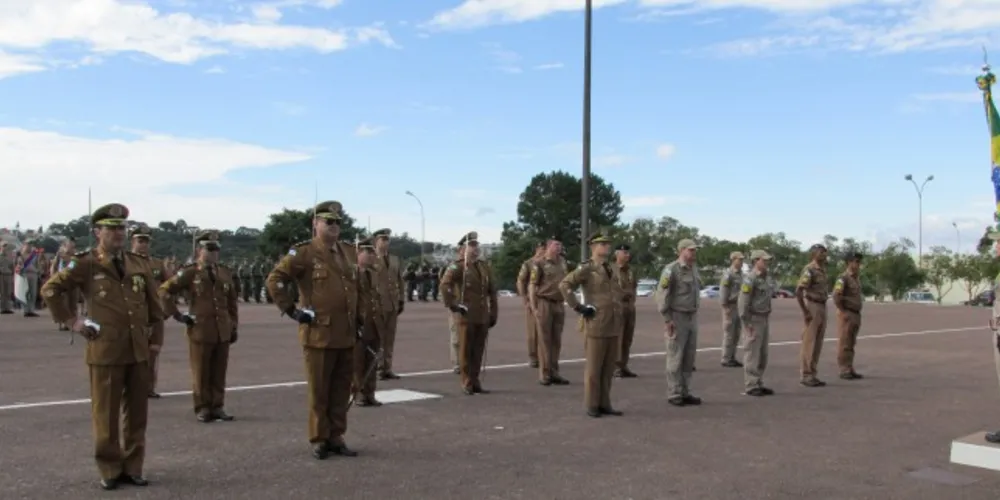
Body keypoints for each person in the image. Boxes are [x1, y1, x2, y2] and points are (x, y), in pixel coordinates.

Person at [40, 202, 163, 490]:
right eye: (112, 229)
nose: (119, 233)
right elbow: (50, 289)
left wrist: (155, 342)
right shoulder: (85, 263)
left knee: (137, 414)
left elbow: (155, 309)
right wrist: (73, 321)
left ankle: (134, 467)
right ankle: (109, 468)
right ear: (98, 232)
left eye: (122, 228)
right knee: (105, 414)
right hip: (105, 349)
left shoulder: (138, 263)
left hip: (137, 348)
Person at [265, 201, 361, 459]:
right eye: (328, 221)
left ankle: (336, 435)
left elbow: (355, 289)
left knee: (341, 389)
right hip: (319, 333)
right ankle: (319, 438)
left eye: (337, 222)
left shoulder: (348, 252)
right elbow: (275, 279)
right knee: (320, 390)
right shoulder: (304, 253)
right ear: (315, 224)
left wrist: (360, 320)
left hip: (345, 332)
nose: (334, 226)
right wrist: (293, 310)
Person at [159, 230, 239, 422]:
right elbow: (164, 291)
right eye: (209, 249)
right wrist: (177, 315)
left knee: (219, 371)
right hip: (201, 329)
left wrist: (234, 325)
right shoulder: (190, 272)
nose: (213, 253)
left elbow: (231, 302)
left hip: (222, 329)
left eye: (216, 249)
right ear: (199, 250)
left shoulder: (225, 272)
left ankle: (218, 406)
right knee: (201, 371)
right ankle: (202, 407)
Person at [559, 230, 624, 418]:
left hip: (612, 322)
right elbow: (564, 285)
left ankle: (605, 403)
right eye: (603, 244)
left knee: (608, 367)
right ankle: (592, 404)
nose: (607, 247)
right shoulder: (586, 268)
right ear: (593, 247)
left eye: (608, 244)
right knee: (594, 368)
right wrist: (579, 307)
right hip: (596, 322)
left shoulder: (611, 267)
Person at [440, 231, 498, 395]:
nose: (475, 248)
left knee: (478, 349)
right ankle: (466, 381)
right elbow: (445, 285)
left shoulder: (483, 266)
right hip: (466, 314)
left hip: (481, 315)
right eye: (471, 245)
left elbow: (492, 291)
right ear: (463, 248)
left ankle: (475, 380)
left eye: (476, 245)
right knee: (466, 349)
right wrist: (453, 305)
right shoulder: (457, 266)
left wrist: (493, 312)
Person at [656, 239, 703, 407]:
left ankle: (685, 391)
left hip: (691, 316)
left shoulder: (693, 269)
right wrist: (667, 319)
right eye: (690, 250)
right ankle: (674, 393)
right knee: (675, 356)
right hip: (677, 317)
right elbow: (663, 295)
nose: (693, 253)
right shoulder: (671, 270)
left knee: (689, 357)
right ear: (681, 250)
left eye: (694, 250)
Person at [130, 226, 172, 398]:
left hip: (154, 314)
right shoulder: (125, 263)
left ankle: (148, 387)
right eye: (140, 241)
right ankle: (132, 387)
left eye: (146, 241)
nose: (143, 245)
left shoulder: (156, 264)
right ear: (132, 241)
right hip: (133, 314)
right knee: (132, 353)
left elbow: (171, 284)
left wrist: (167, 308)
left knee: (153, 352)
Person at [529, 238, 568, 385]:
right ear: (548, 247)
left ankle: (554, 371)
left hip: (559, 303)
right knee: (545, 340)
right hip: (544, 302)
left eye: (560, 244)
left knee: (556, 340)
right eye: (556, 245)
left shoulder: (563, 262)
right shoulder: (539, 263)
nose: (559, 247)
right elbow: (532, 285)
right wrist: (533, 306)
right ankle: (545, 374)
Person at [737, 250, 775, 396]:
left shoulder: (765, 278)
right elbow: (743, 302)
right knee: (752, 353)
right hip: (753, 319)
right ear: (755, 261)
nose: (766, 263)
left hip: (764, 318)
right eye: (764, 260)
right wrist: (746, 323)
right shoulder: (750, 279)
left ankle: (758, 381)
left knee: (762, 354)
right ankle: (751, 384)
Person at [371, 228, 405, 381]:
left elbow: (400, 281)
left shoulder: (394, 260)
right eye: (382, 239)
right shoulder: (371, 258)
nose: (385, 242)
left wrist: (401, 299)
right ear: (376, 241)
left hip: (392, 303)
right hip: (377, 303)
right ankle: (377, 368)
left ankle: (387, 367)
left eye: (387, 239)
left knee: (389, 337)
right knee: (378, 337)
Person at [353, 237, 383, 406]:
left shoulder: (373, 274)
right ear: (358, 252)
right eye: (368, 252)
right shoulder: (351, 274)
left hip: (373, 323)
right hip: (358, 324)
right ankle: (358, 394)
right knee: (357, 362)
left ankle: (370, 393)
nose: (372, 256)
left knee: (372, 360)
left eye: (373, 252)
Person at [796, 244, 830, 387]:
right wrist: (805, 311)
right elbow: (799, 290)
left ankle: (813, 373)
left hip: (822, 305)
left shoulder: (822, 269)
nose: (824, 254)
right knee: (809, 341)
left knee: (818, 342)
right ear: (814, 253)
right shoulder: (809, 269)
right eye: (821, 252)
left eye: (825, 252)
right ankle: (806, 374)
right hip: (813, 305)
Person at [833, 251, 865, 380]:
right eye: (856, 261)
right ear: (849, 262)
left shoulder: (855, 278)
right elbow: (836, 295)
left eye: (859, 262)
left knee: (851, 342)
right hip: (847, 313)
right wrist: (843, 310)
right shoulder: (843, 278)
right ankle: (844, 369)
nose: (858, 264)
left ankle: (849, 367)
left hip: (855, 314)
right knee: (845, 342)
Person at [516, 241, 546, 368]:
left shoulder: (549, 263)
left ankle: (546, 356)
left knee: (547, 329)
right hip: (534, 299)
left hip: (547, 300)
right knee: (533, 331)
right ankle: (533, 357)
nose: (544, 251)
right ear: (537, 249)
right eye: (542, 248)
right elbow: (521, 281)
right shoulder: (528, 263)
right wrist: (525, 299)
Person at [613, 243, 638, 378]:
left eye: (628, 253)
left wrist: (632, 300)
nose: (627, 255)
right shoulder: (611, 270)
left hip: (629, 307)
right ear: (617, 254)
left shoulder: (630, 271)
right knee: (618, 337)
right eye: (624, 253)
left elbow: (633, 286)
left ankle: (624, 365)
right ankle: (615, 366)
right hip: (617, 306)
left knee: (628, 338)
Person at [718, 251, 745, 368]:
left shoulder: (741, 275)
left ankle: (732, 356)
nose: (741, 262)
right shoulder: (728, 274)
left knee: (736, 333)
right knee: (729, 333)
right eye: (739, 259)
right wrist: (725, 306)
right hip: (730, 306)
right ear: (733, 260)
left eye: (742, 260)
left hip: (738, 306)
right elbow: (723, 291)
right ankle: (726, 358)